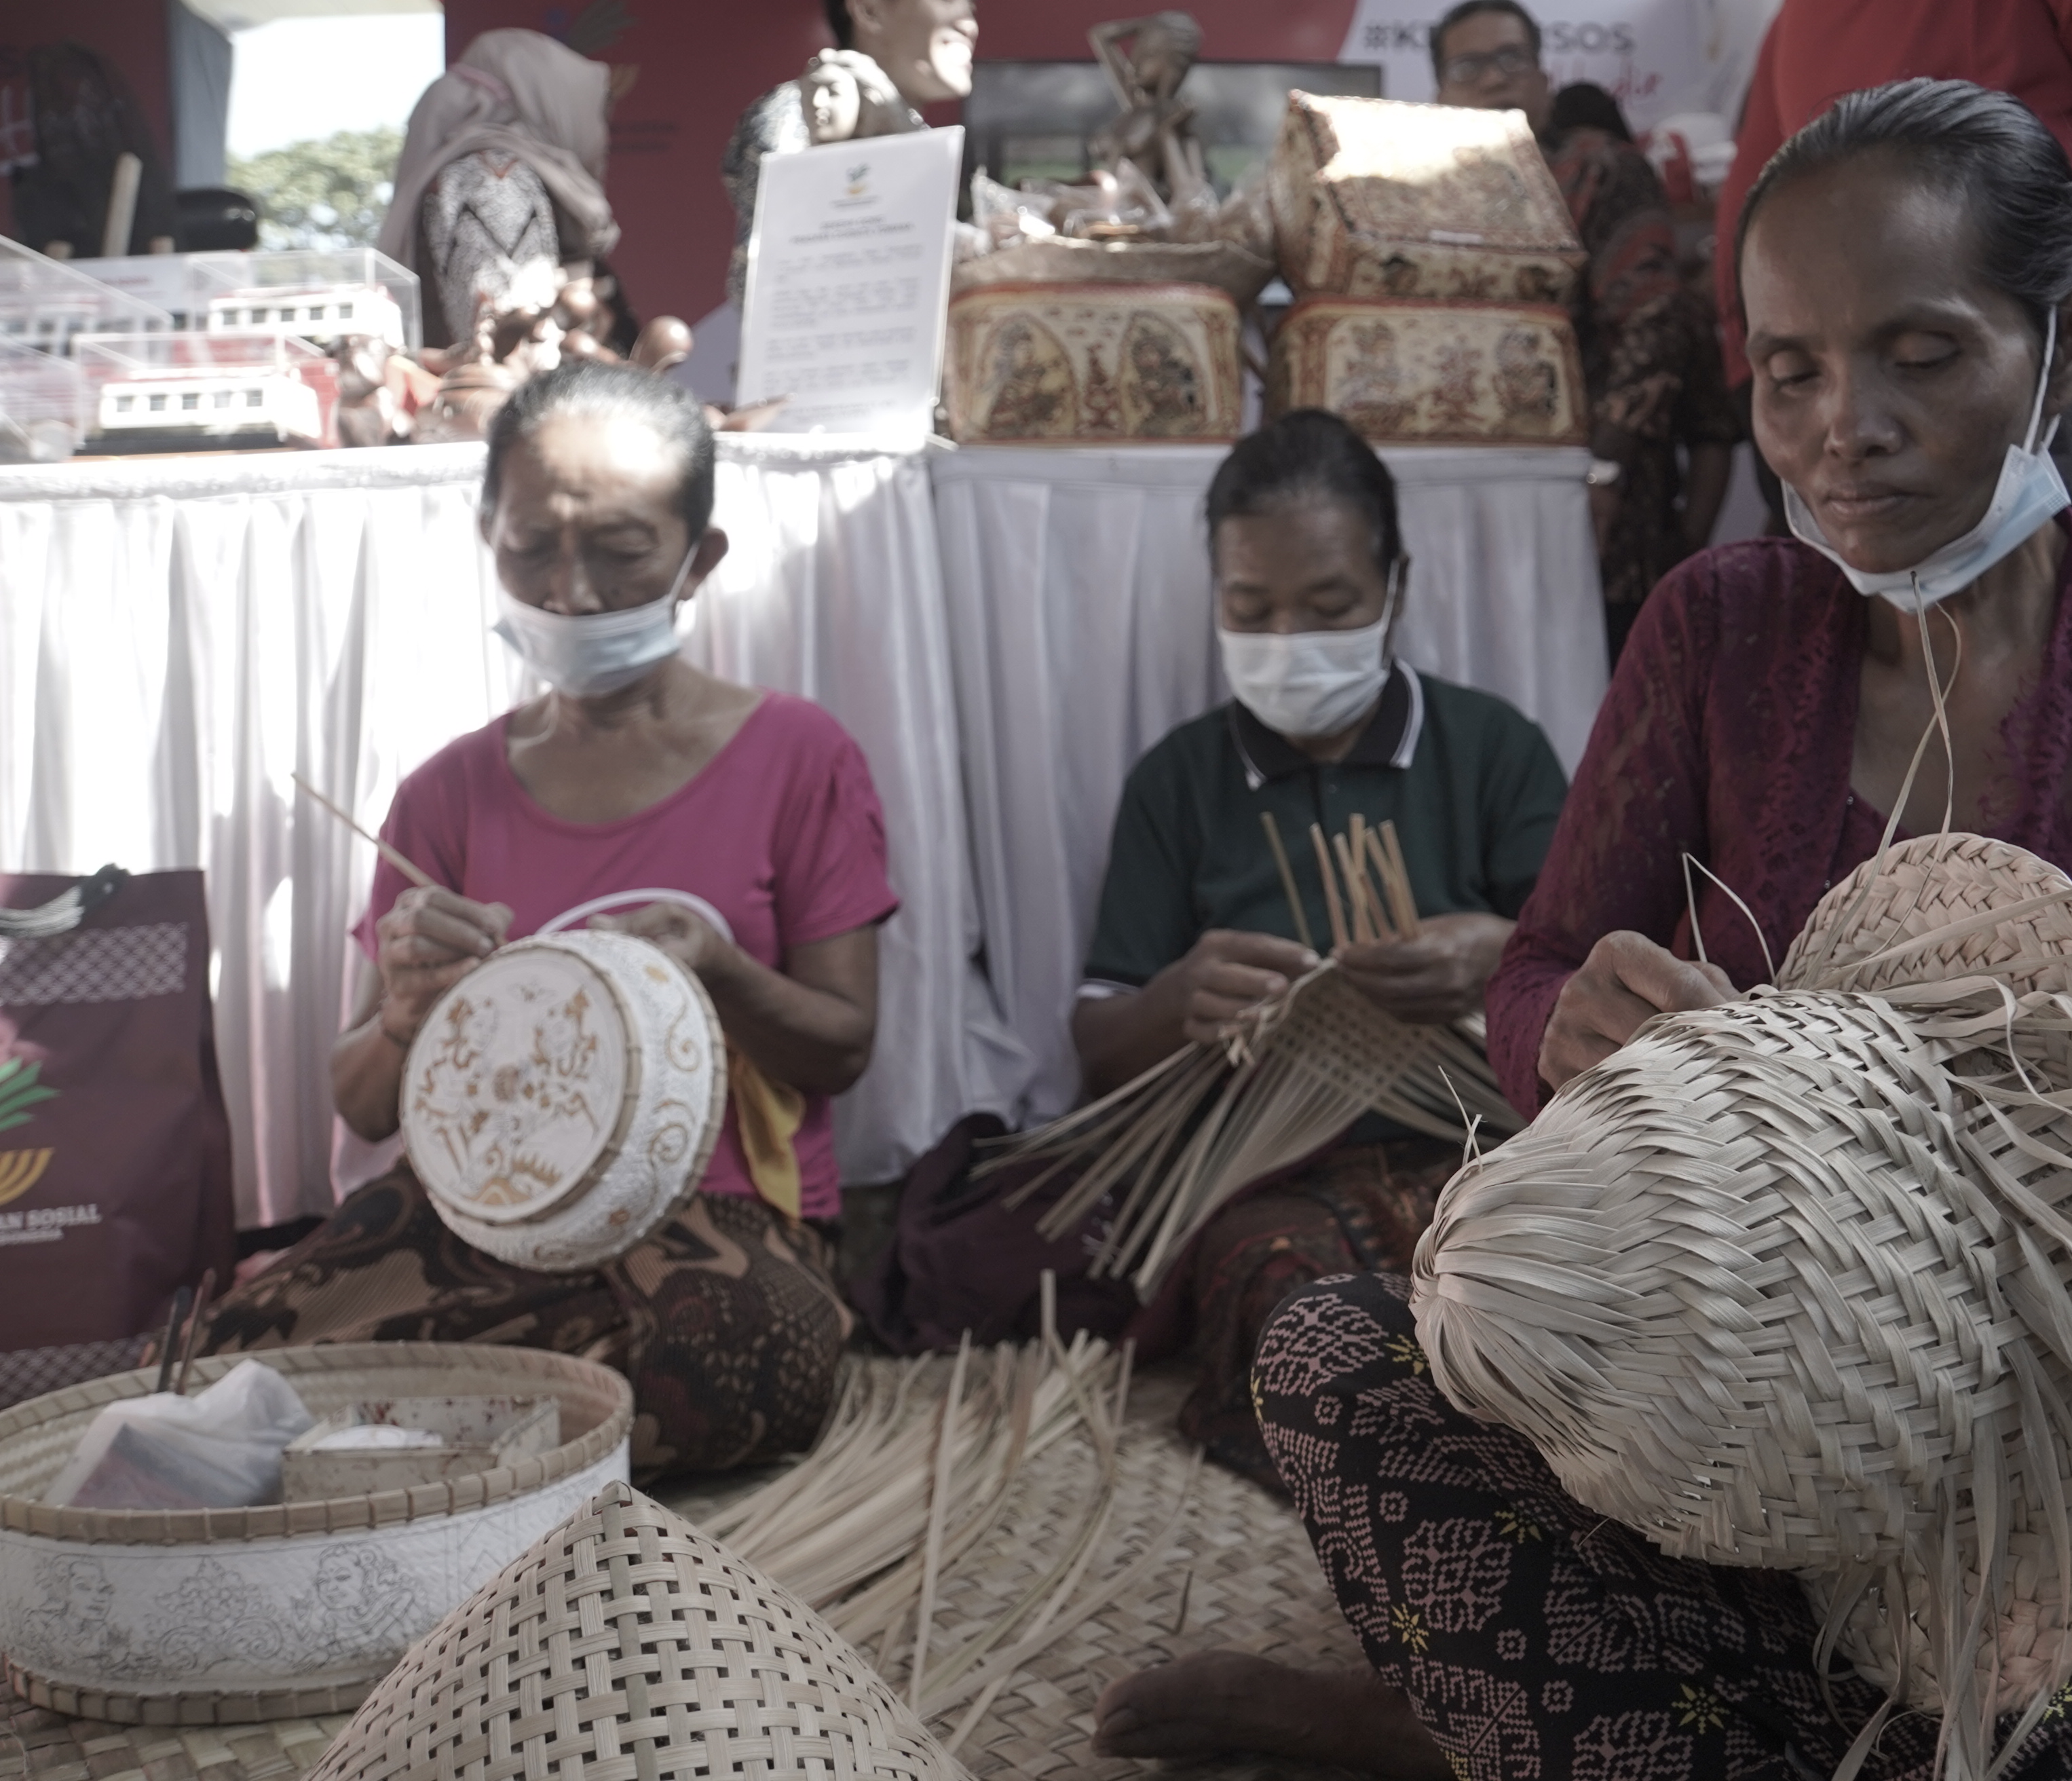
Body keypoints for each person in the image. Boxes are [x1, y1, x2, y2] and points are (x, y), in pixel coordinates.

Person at [1093, 81, 2072, 1779]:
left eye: (1921, 354)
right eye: (1789, 368)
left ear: (2067, 348)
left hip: (2058, 1434)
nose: (1838, 426)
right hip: (1698, 1403)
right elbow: (1540, 969)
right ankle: (1602, 1719)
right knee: (1344, 1351)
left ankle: (1512, 1731)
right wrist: (1567, 1026)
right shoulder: (1717, 625)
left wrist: (1999, 1158)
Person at [202, 361, 896, 1478]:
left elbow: (844, 1048)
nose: (571, 593)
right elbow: (364, 1101)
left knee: (735, 1353)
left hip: (712, 1216)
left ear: (697, 557)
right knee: (219, 1351)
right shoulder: (448, 792)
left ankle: (409, 1448)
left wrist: (714, 967)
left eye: (622, 552)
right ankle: (517, 1442)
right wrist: (408, 1013)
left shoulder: (796, 755)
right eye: (533, 549)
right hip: (483, 1216)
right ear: (491, 536)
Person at [1069, 409, 1568, 1485]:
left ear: (1398, 583)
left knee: (1546, 1269)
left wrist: (1497, 952)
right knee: (1287, 1292)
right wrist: (1181, 999)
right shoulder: (1180, 781)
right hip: (1273, 1166)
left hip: (1481, 1144)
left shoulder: (1492, 749)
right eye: (1251, 609)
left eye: (1330, 604)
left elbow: (1588, 980)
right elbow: (1099, 1045)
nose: (1290, 639)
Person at [1713, 0, 2072, 539]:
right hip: (2057, 268)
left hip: (2038, 275)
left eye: (1924, 359)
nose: (1851, 434)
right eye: (1793, 375)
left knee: (2050, 583)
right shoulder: (1792, 24)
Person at [1432, 0, 1739, 662]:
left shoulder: (1597, 171)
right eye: (1469, 66)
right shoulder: (1409, 194)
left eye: (1511, 59)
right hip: (1454, 512)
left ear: (1542, 79)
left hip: (1589, 507)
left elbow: (1652, 322)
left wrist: (1603, 469)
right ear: (1439, 92)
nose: (1493, 80)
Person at [381, 29, 628, 350]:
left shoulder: (486, 169)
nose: (601, 132)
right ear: (546, 102)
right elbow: (508, 341)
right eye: (595, 112)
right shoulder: (493, 178)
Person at [721, 0, 977, 306]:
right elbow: (774, 276)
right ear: (870, 11)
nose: (968, 24)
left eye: (972, 10)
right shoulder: (797, 115)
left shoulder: (913, 132)